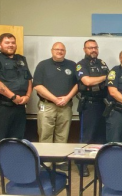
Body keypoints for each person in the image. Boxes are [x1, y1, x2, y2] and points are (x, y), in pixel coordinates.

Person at [0, 33, 33, 187]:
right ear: (0, 44)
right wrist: (13, 97)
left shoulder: (21, 59)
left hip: (19, 108)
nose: (11, 45)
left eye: (13, 42)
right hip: (2, 107)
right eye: (7, 43)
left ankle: (15, 174)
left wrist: (27, 96)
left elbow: (29, 79)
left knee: (16, 141)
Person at [33, 42, 77, 171]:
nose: (59, 51)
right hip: (47, 106)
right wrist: (54, 99)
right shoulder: (43, 65)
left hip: (66, 105)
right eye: (57, 49)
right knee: (45, 134)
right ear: (52, 50)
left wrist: (67, 98)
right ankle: (46, 162)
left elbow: (78, 84)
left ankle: (59, 161)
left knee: (62, 135)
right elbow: (37, 85)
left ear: (65, 51)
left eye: (62, 49)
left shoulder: (72, 65)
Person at [76, 39, 109, 176]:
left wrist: (100, 79)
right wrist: (103, 77)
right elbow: (87, 81)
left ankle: (98, 165)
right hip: (89, 105)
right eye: (90, 48)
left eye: (95, 47)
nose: (93, 50)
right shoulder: (80, 65)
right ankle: (81, 164)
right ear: (85, 49)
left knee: (101, 137)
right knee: (87, 137)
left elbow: (109, 81)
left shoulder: (102, 63)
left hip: (103, 103)